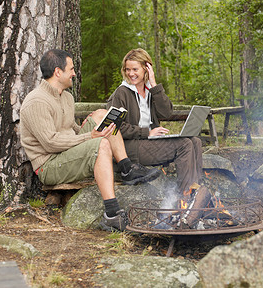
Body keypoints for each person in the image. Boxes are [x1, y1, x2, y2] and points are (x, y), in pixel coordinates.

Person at [20, 49, 160, 231]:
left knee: (104, 115)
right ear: (57, 72)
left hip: (67, 154)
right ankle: (112, 214)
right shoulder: (37, 101)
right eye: (70, 69)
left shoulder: (67, 97)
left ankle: (127, 169)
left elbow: (70, 130)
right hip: (49, 164)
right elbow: (50, 143)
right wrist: (90, 136)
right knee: (100, 144)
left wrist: (90, 126)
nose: (74, 73)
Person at [106, 48, 203, 200]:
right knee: (184, 144)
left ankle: (195, 189)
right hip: (130, 146)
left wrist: (154, 85)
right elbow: (113, 127)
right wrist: (146, 132)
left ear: (147, 68)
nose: (131, 73)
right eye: (128, 69)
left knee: (195, 141)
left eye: (135, 69)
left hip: (148, 143)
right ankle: (185, 197)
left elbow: (166, 113)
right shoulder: (121, 93)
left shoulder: (150, 91)